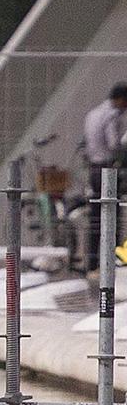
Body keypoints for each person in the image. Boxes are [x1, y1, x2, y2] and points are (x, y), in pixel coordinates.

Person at [83, 82, 126, 271]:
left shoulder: (94, 113)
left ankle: (92, 262)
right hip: (107, 171)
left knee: (95, 217)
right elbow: (114, 144)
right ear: (121, 99)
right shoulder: (112, 116)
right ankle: (113, 261)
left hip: (93, 169)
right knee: (112, 217)